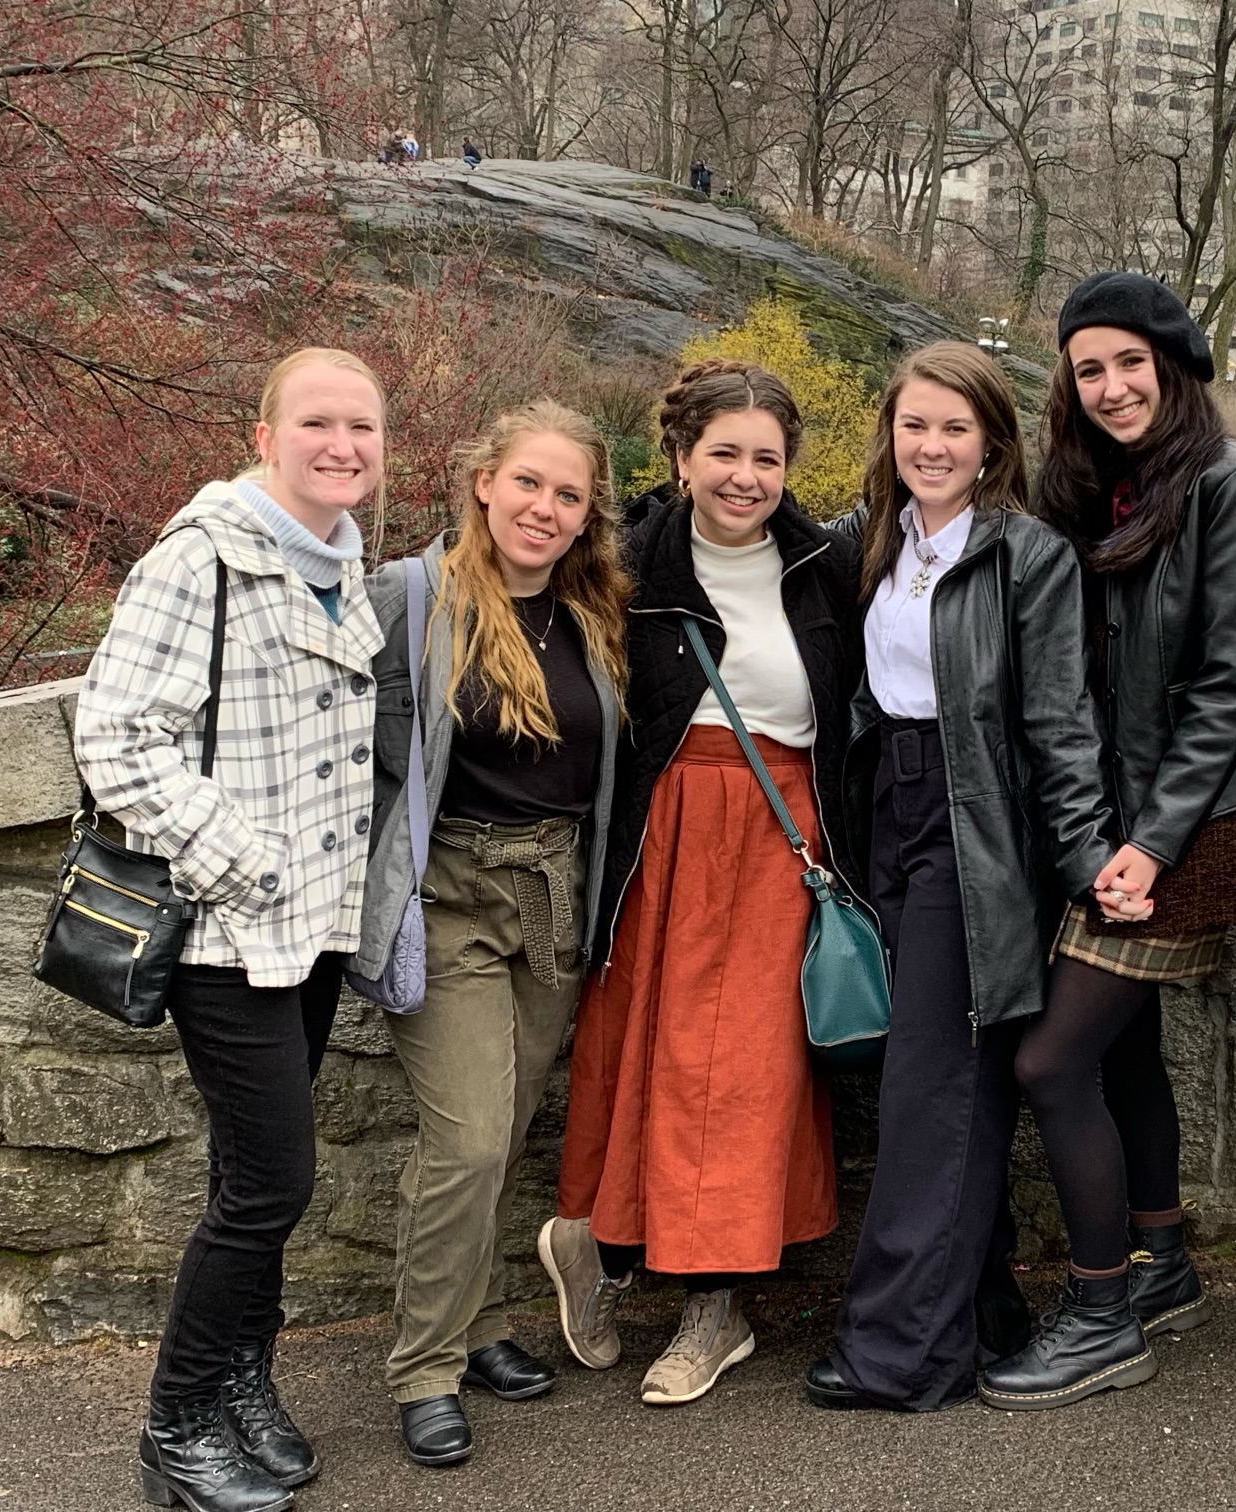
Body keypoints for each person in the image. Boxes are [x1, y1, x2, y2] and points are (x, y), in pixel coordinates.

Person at [76, 348, 388, 1512]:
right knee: (273, 1184)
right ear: (266, 433)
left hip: (308, 934)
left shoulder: (341, 561)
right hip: (223, 932)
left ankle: (241, 1391)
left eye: (361, 425)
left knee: (246, 1173)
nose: (342, 445)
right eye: (317, 422)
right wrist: (240, 860)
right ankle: (173, 1424)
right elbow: (115, 737)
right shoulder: (200, 558)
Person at [800, 342, 1127, 1413]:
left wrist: (1086, 860)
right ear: (888, 436)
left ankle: (902, 1352)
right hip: (882, 809)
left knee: (934, 1088)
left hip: (974, 826)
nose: (931, 446)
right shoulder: (870, 541)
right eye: (914, 426)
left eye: (954, 428)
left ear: (992, 442)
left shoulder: (1026, 554)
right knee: (938, 1078)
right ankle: (982, 1317)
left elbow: (1059, 724)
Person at [978, 273, 1236, 1411]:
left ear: (1175, 364)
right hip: (1096, 821)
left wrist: (1149, 844)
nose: (1109, 388)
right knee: (1119, 1051)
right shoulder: (1083, 486)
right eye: (1087, 368)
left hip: (1188, 828)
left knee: (1051, 1061)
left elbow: (1224, 683)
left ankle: (1103, 1312)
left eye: (1129, 364)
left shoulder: (1226, 481)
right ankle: (1167, 1265)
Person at [539, 359, 862, 1407]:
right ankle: (596, 1248)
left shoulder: (825, 565)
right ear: (679, 458)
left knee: (748, 1073)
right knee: (642, 1053)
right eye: (724, 452)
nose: (745, 475)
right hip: (663, 835)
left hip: (780, 835)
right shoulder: (627, 566)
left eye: (766, 457)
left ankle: (714, 1307)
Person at [356, 401, 628, 1467]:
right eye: (530, 484)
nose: (546, 508)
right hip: (449, 895)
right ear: (483, 481)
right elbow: (354, 741)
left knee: (508, 1132)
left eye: (569, 495)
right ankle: (424, 1368)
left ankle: (480, 1329)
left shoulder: (594, 608)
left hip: (556, 894)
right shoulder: (412, 598)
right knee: (467, 1137)